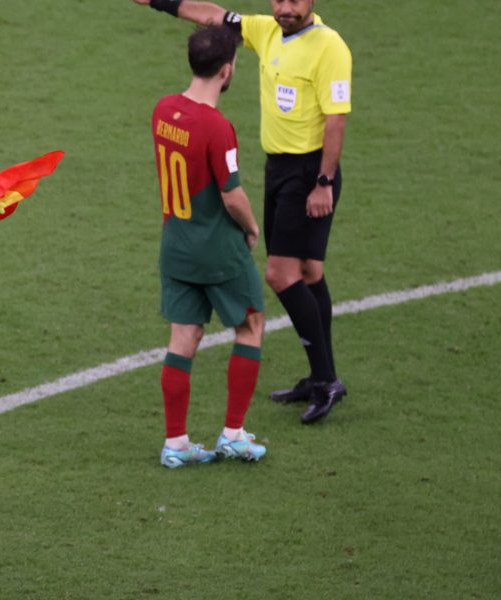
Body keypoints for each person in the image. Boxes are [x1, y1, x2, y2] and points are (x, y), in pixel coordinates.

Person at [136, 0, 353, 424]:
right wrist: (160, 2)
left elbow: (336, 120)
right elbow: (212, 17)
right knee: (309, 271)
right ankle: (321, 376)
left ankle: (326, 380)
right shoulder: (266, 29)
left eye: (293, 1)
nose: (284, 7)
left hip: (309, 173)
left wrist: (323, 182)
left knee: (280, 274)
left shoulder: (330, 47)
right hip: (279, 168)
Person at [150, 25, 267, 468]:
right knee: (251, 324)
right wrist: (252, 228)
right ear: (226, 69)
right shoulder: (218, 128)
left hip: (175, 245)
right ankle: (234, 434)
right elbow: (231, 194)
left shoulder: (163, 110)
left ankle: (176, 444)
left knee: (183, 337)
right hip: (217, 249)